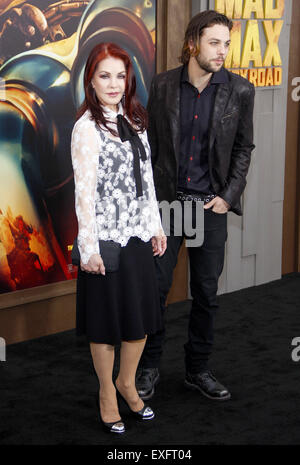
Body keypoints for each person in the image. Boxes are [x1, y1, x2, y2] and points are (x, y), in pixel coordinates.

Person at [136, 10, 255, 401]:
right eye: (213, 43)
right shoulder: (164, 85)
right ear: (193, 43)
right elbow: (151, 147)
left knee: (206, 294)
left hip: (209, 208)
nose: (222, 51)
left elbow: (243, 148)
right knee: (155, 290)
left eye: (226, 43)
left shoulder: (240, 90)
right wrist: (149, 204)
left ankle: (197, 370)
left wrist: (229, 196)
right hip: (168, 207)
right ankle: (149, 366)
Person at [71, 42, 167, 434]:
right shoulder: (86, 129)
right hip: (105, 241)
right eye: (104, 75)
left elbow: (146, 180)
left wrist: (156, 226)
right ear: (90, 81)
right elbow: (83, 193)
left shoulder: (135, 118)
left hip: (137, 237)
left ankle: (127, 383)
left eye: (120, 75)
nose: (113, 84)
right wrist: (88, 248)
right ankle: (107, 393)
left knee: (139, 321)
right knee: (106, 325)